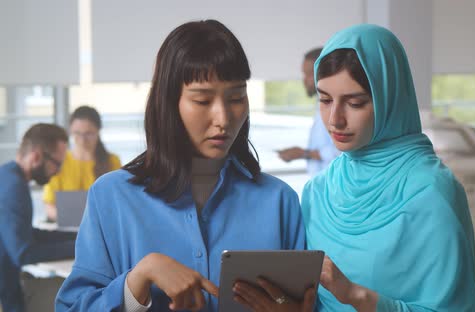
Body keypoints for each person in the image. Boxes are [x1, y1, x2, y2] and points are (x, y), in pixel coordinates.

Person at [55, 20, 313, 312]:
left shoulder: (279, 201)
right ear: (168, 102)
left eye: (237, 97)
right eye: (202, 100)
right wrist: (139, 279)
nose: (223, 118)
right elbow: (72, 308)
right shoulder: (111, 197)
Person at [236, 24, 475, 311]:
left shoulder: (432, 193)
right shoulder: (318, 191)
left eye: (354, 103)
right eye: (325, 100)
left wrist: (357, 296)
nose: (334, 119)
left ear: (390, 99)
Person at [0, 124, 77, 312]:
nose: (58, 171)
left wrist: (77, 237)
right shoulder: (15, 188)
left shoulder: (7, 175)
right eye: (57, 164)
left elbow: (25, 233)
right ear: (36, 156)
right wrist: (79, 246)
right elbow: (23, 253)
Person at [42, 105, 121, 222]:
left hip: (102, 229)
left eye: (88, 133)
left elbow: (119, 203)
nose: (82, 139)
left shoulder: (112, 162)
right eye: (77, 133)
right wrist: (70, 221)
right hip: (66, 229)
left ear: (98, 131)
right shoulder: (59, 161)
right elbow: (49, 205)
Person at [277, 47, 340, 176]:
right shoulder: (320, 105)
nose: (304, 80)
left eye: (309, 74)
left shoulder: (336, 107)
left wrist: (304, 153)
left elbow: (340, 151)